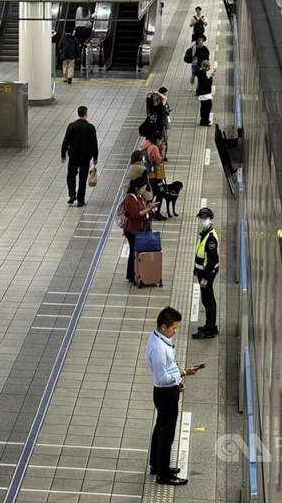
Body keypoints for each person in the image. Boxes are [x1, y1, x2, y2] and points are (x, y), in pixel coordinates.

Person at [146, 306, 201, 486]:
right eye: (174, 328)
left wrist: (178, 380)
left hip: (167, 390)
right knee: (166, 435)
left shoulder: (158, 339)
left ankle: (156, 464)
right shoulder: (159, 349)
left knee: (160, 428)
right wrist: (183, 373)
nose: (176, 331)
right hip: (165, 393)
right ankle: (163, 473)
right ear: (163, 327)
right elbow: (162, 377)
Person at [61, 106, 99, 207]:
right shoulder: (90, 128)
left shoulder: (71, 126)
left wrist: (63, 153)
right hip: (85, 158)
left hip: (73, 156)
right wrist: (95, 157)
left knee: (71, 175)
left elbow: (66, 141)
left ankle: (72, 194)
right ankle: (81, 200)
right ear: (86, 114)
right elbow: (94, 143)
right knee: (82, 178)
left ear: (78, 113)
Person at [192, 207, 220, 339]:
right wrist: (196, 269)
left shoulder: (211, 238)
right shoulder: (204, 233)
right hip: (202, 272)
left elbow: (212, 260)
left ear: (211, 220)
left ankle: (210, 329)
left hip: (207, 274)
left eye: (204, 219)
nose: (201, 221)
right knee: (208, 300)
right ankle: (210, 326)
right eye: (200, 218)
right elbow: (200, 254)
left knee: (208, 301)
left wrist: (205, 278)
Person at [123, 177, 157, 282]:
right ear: (137, 188)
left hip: (141, 229)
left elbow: (144, 208)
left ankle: (137, 272)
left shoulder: (140, 197)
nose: (144, 191)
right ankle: (132, 274)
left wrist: (150, 209)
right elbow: (135, 215)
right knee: (134, 252)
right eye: (143, 189)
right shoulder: (131, 199)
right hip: (132, 230)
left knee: (137, 252)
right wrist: (148, 208)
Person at [140, 132, 167, 221]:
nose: (161, 143)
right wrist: (162, 150)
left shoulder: (145, 144)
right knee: (160, 192)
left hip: (147, 173)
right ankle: (155, 212)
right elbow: (158, 160)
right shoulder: (154, 148)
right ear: (157, 139)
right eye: (161, 141)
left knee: (152, 193)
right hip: (154, 175)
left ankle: (149, 210)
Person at [195, 59, 215, 126]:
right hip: (205, 94)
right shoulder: (202, 74)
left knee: (204, 108)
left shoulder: (201, 73)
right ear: (204, 67)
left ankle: (204, 120)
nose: (208, 68)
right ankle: (204, 121)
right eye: (208, 67)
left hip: (203, 94)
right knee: (207, 107)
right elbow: (207, 83)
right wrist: (211, 77)